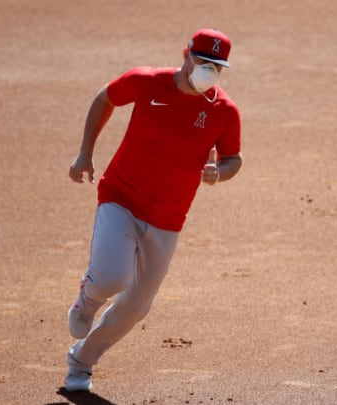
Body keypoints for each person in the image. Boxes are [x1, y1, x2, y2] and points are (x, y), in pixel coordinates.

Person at [64, 28, 242, 392]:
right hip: (122, 197)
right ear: (186, 55)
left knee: (137, 307)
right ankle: (88, 298)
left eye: (217, 66)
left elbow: (233, 159)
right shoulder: (147, 82)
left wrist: (217, 174)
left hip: (168, 217)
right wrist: (85, 152)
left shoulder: (223, 111)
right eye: (202, 61)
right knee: (113, 276)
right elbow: (105, 98)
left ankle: (81, 361)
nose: (208, 71)